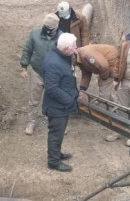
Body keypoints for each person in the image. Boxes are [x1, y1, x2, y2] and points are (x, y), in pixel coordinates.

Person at [20, 13, 61, 136]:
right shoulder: (34, 34)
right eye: (45, 27)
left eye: (50, 28)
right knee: (34, 99)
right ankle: (31, 122)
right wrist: (24, 67)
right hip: (37, 72)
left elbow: (67, 56)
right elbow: (27, 50)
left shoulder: (62, 37)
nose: (47, 30)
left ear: (55, 28)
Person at [42, 32, 79, 172]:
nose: (76, 49)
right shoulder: (53, 63)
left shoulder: (62, 56)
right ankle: (53, 162)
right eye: (74, 47)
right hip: (57, 107)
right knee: (55, 134)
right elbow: (51, 88)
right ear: (66, 49)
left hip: (62, 106)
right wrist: (69, 99)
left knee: (59, 132)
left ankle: (57, 154)